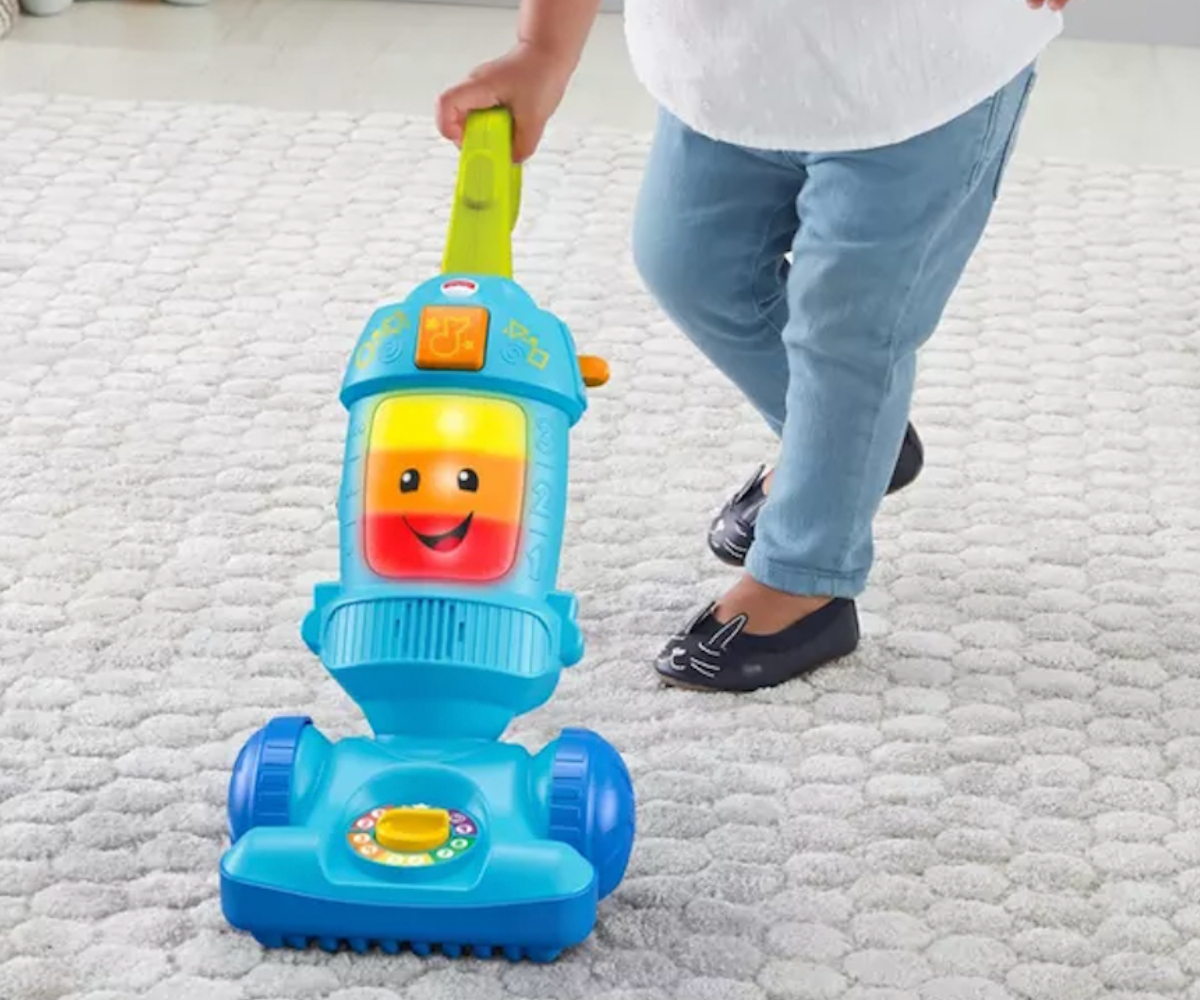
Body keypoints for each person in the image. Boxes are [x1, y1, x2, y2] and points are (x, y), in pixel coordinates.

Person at [437, 0, 1070, 694]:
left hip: (919, 76)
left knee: (849, 329)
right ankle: (845, 452)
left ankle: (805, 580)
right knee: (689, 264)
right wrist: (543, 51)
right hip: (732, 73)